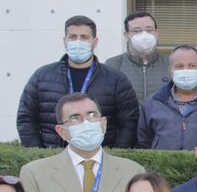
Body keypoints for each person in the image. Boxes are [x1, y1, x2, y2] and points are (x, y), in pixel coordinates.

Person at [17, 15, 139, 149]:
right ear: (65, 41)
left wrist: (115, 154)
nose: (78, 42)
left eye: (84, 37)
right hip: (54, 155)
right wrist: (38, 153)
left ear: (95, 42)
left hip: (99, 156)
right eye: (73, 37)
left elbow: (130, 122)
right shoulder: (42, 76)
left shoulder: (116, 79)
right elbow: (26, 118)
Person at [106, 10, 169, 109]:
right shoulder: (112, 65)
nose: (144, 35)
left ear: (156, 33)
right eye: (136, 31)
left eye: (149, 30)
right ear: (126, 35)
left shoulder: (171, 64)